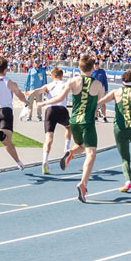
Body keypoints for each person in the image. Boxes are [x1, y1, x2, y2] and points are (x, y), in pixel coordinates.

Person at [40, 54, 106, 202]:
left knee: (82, 146)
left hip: (74, 121)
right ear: (92, 68)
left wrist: (43, 104)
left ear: (79, 67)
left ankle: (70, 153)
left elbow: (59, 99)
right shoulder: (98, 84)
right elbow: (101, 103)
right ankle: (83, 184)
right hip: (87, 122)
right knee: (91, 153)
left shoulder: (72, 81)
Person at [26, 67, 71, 175]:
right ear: (61, 76)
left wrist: (30, 93)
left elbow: (38, 91)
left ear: (52, 76)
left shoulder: (48, 86)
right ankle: (66, 149)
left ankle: (45, 161)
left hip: (50, 110)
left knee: (49, 138)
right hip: (61, 109)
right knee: (69, 127)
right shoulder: (64, 84)